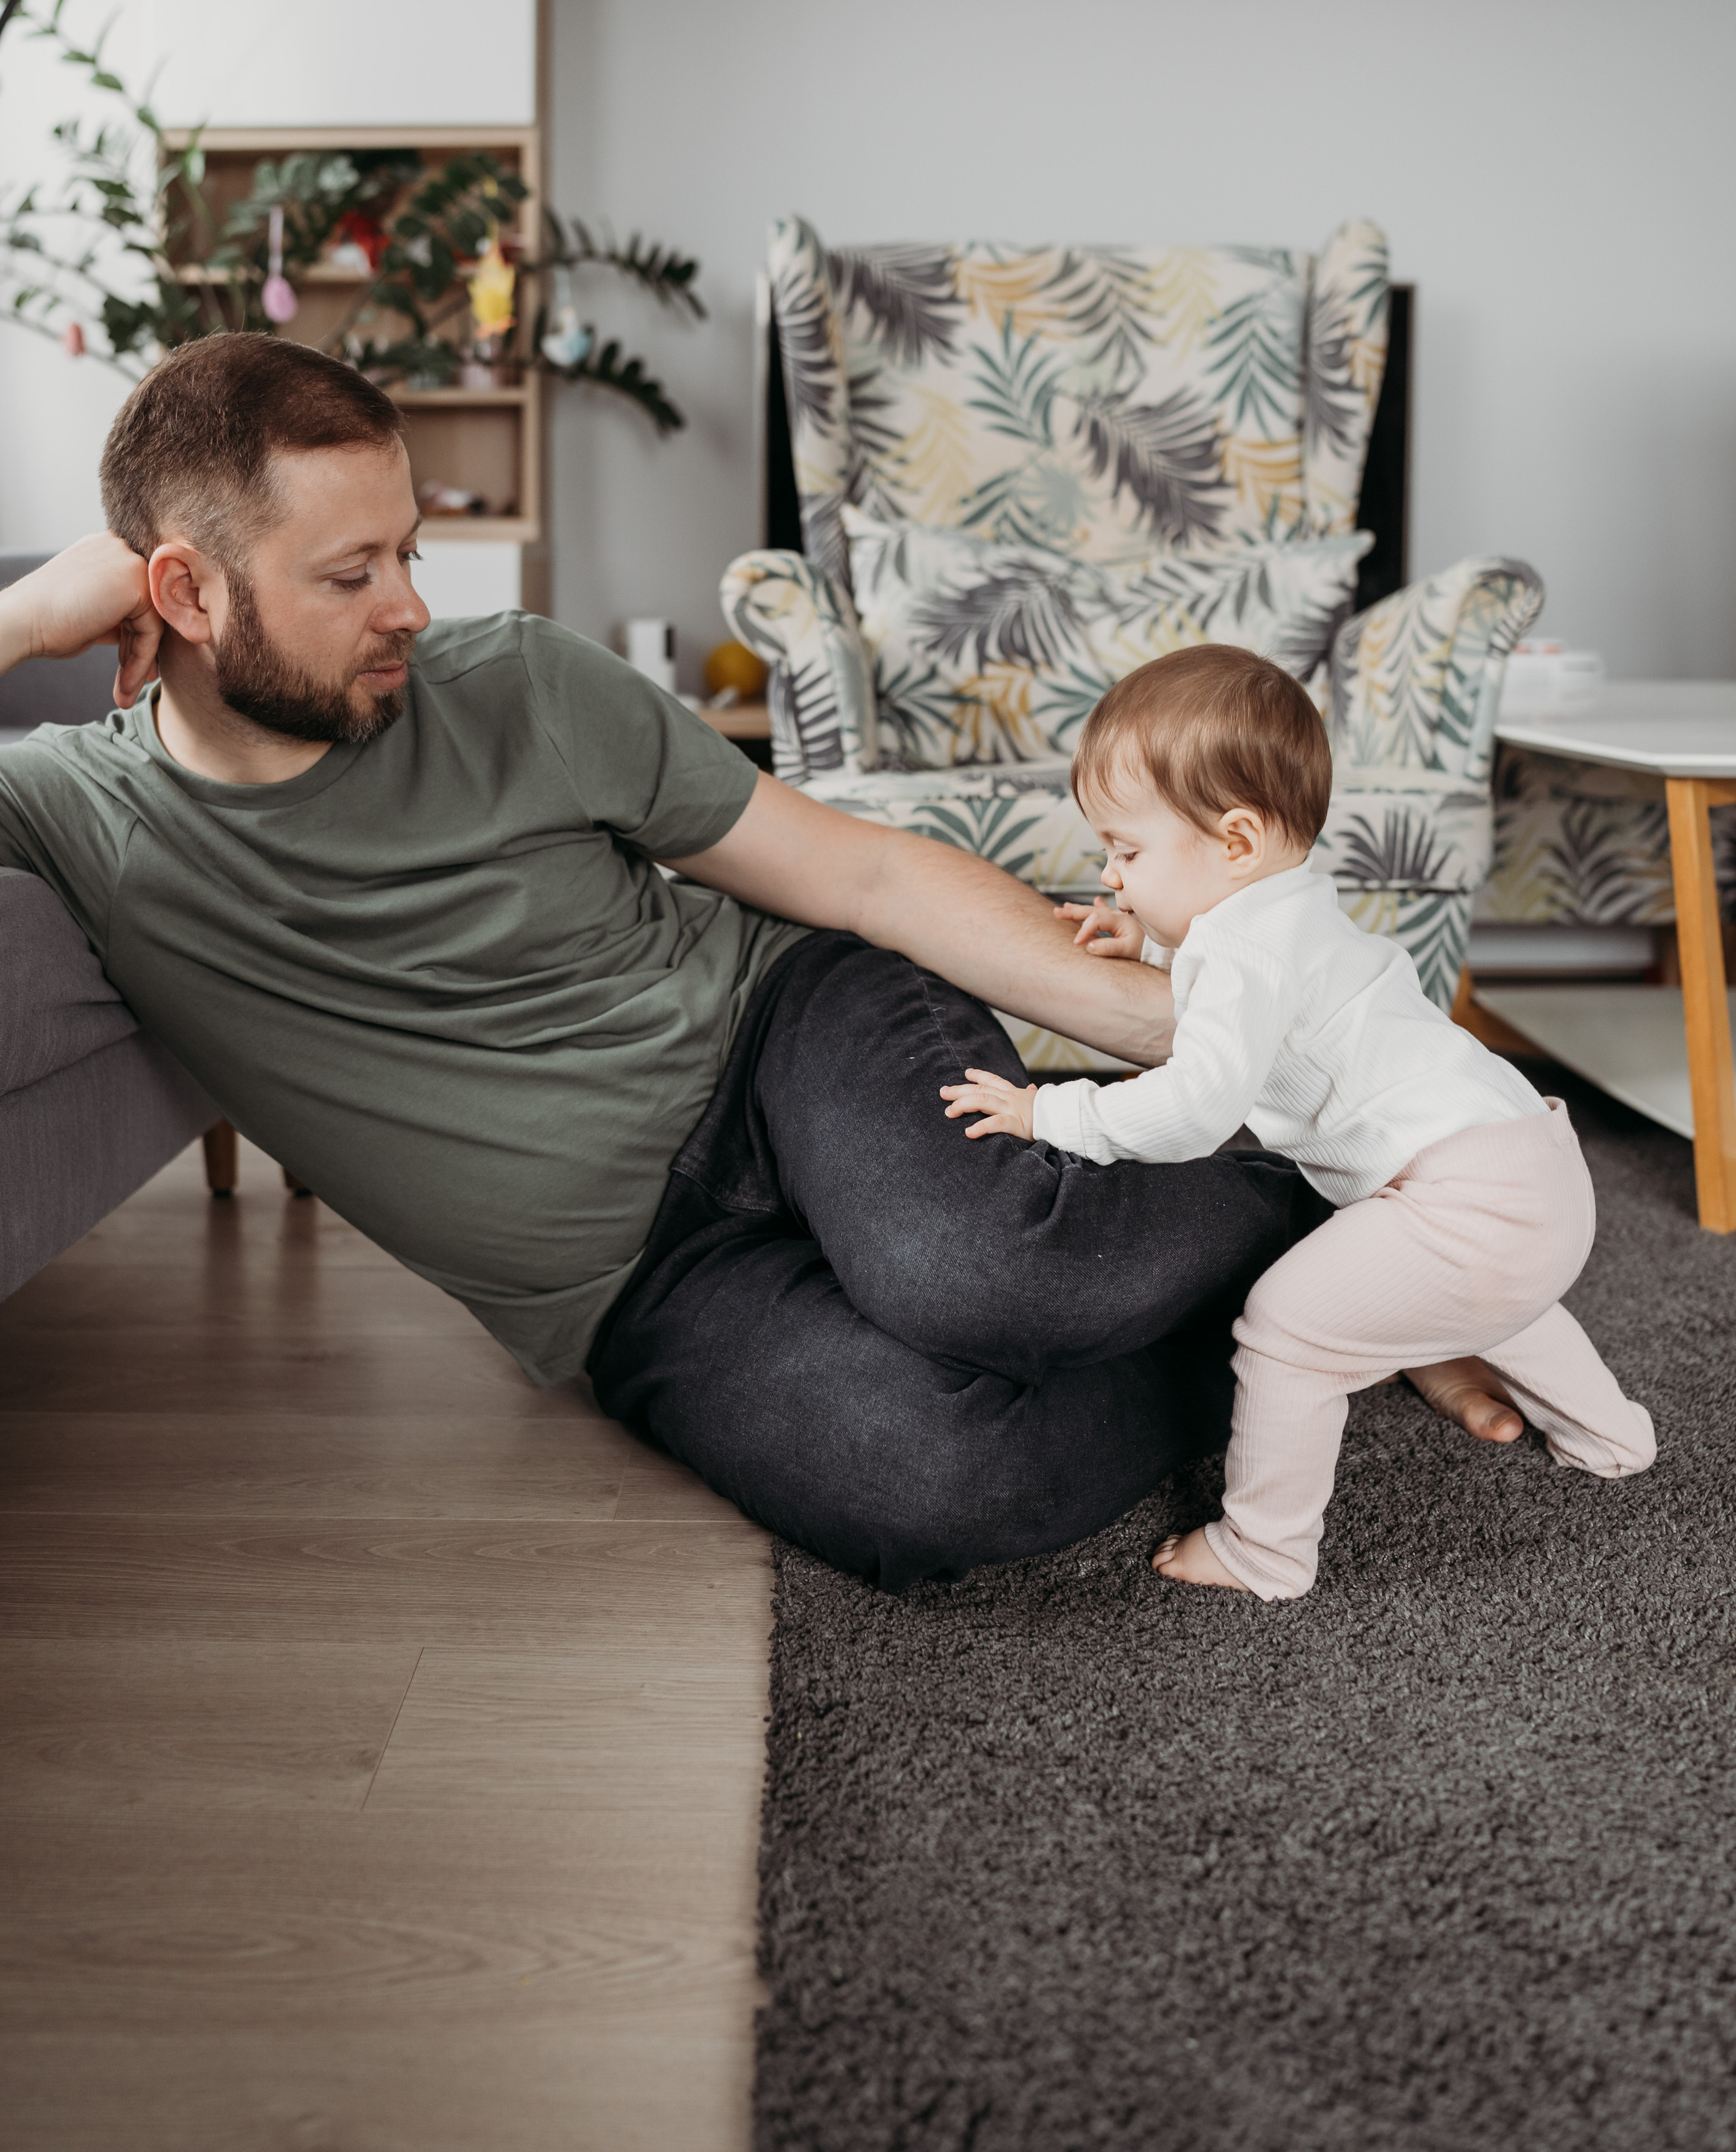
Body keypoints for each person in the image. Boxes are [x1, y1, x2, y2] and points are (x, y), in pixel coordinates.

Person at [0, 334, 1517, 1590]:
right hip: (641, 1290)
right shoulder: (83, 818)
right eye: (351, 576)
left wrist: (1214, 1043)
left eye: (408, 549)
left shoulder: (518, 682)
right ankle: (1322, 1320)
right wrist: (26, 613)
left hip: (785, 1036)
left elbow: (859, 871)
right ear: (184, 593)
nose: (410, 605)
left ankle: (1341, 1204)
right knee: (941, 1488)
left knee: (989, 1274)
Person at [943, 646, 1657, 1601]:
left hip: (1468, 1198)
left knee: (1285, 1329)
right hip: (1537, 1166)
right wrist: (1155, 941)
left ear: (1236, 842)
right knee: (1507, 1298)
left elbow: (1193, 1110)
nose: (1111, 876)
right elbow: (1250, 976)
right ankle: (1614, 1436)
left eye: (1128, 853)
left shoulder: (1243, 956)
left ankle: (1266, 1550)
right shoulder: (1294, 905)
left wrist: (1050, 1110)